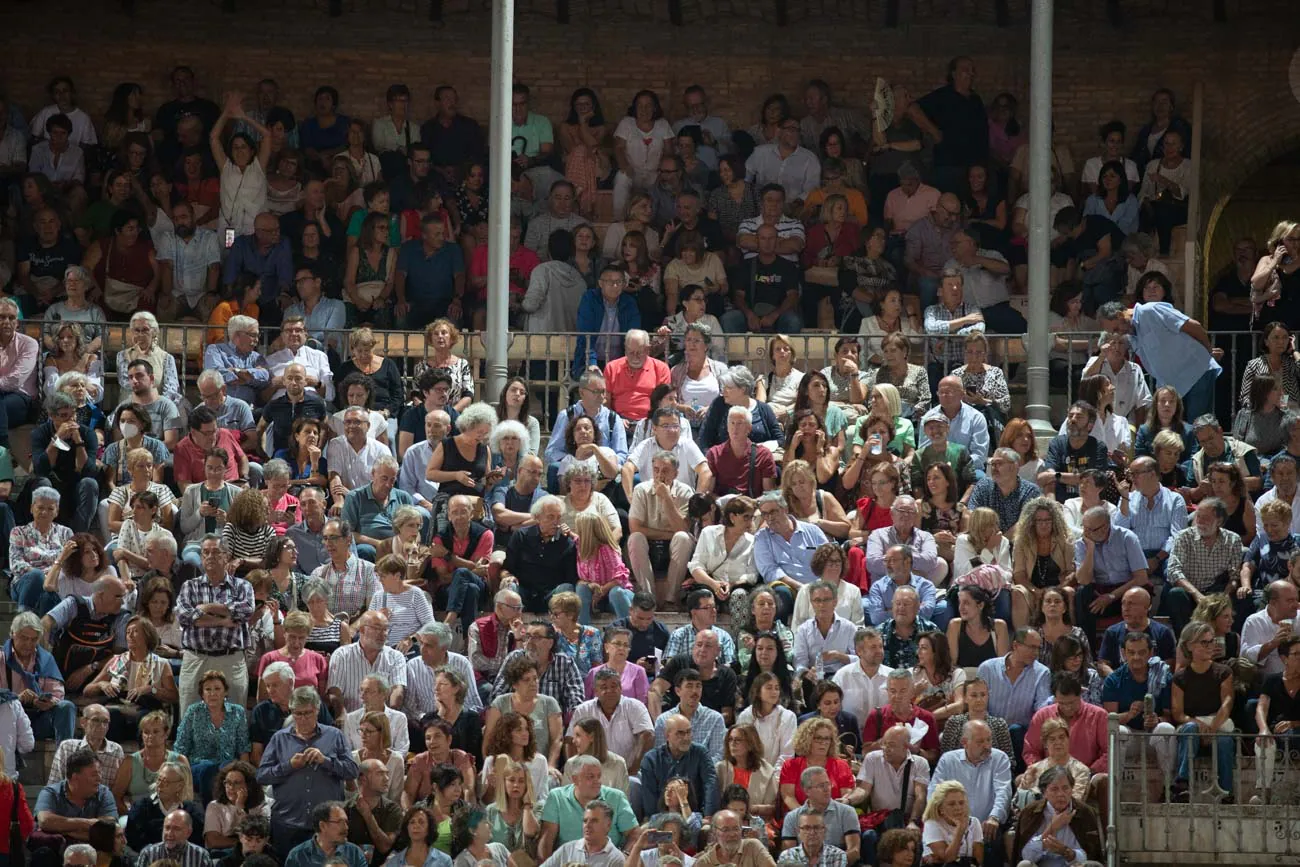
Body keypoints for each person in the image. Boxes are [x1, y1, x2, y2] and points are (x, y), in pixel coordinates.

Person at [1096, 300, 1220, 421]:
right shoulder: (1132, 336)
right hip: (1174, 388)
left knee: (1198, 427)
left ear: (1119, 315)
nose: (1118, 333)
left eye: (1116, 329)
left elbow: (1193, 326)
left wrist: (1209, 352)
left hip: (1196, 374)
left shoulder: (1151, 311)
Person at [1164, 498, 1245, 638]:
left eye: (1205, 518)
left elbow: (1234, 576)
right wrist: (1196, 595)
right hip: (1190, 592)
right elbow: (1173, 571)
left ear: (1219, 521)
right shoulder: (1184, 537)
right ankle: (1186, 642)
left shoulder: (1233, 540)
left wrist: (1224, 598)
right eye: (1198, 516)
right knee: (1175, 594)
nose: (1200, 521)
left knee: (1239, 598)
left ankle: (1229, 643)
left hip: (1215, 592)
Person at [976, 629, 1052, 765]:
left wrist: (1054, 701)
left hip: (1021, 735)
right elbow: (978, 705)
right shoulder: (987, 668)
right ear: (1016, 645)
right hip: (989, 730)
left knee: (1015, 730)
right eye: (1031, 647)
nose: (1036, 653)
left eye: (1038, 649)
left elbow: (1041, 708)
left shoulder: (1042, 673)